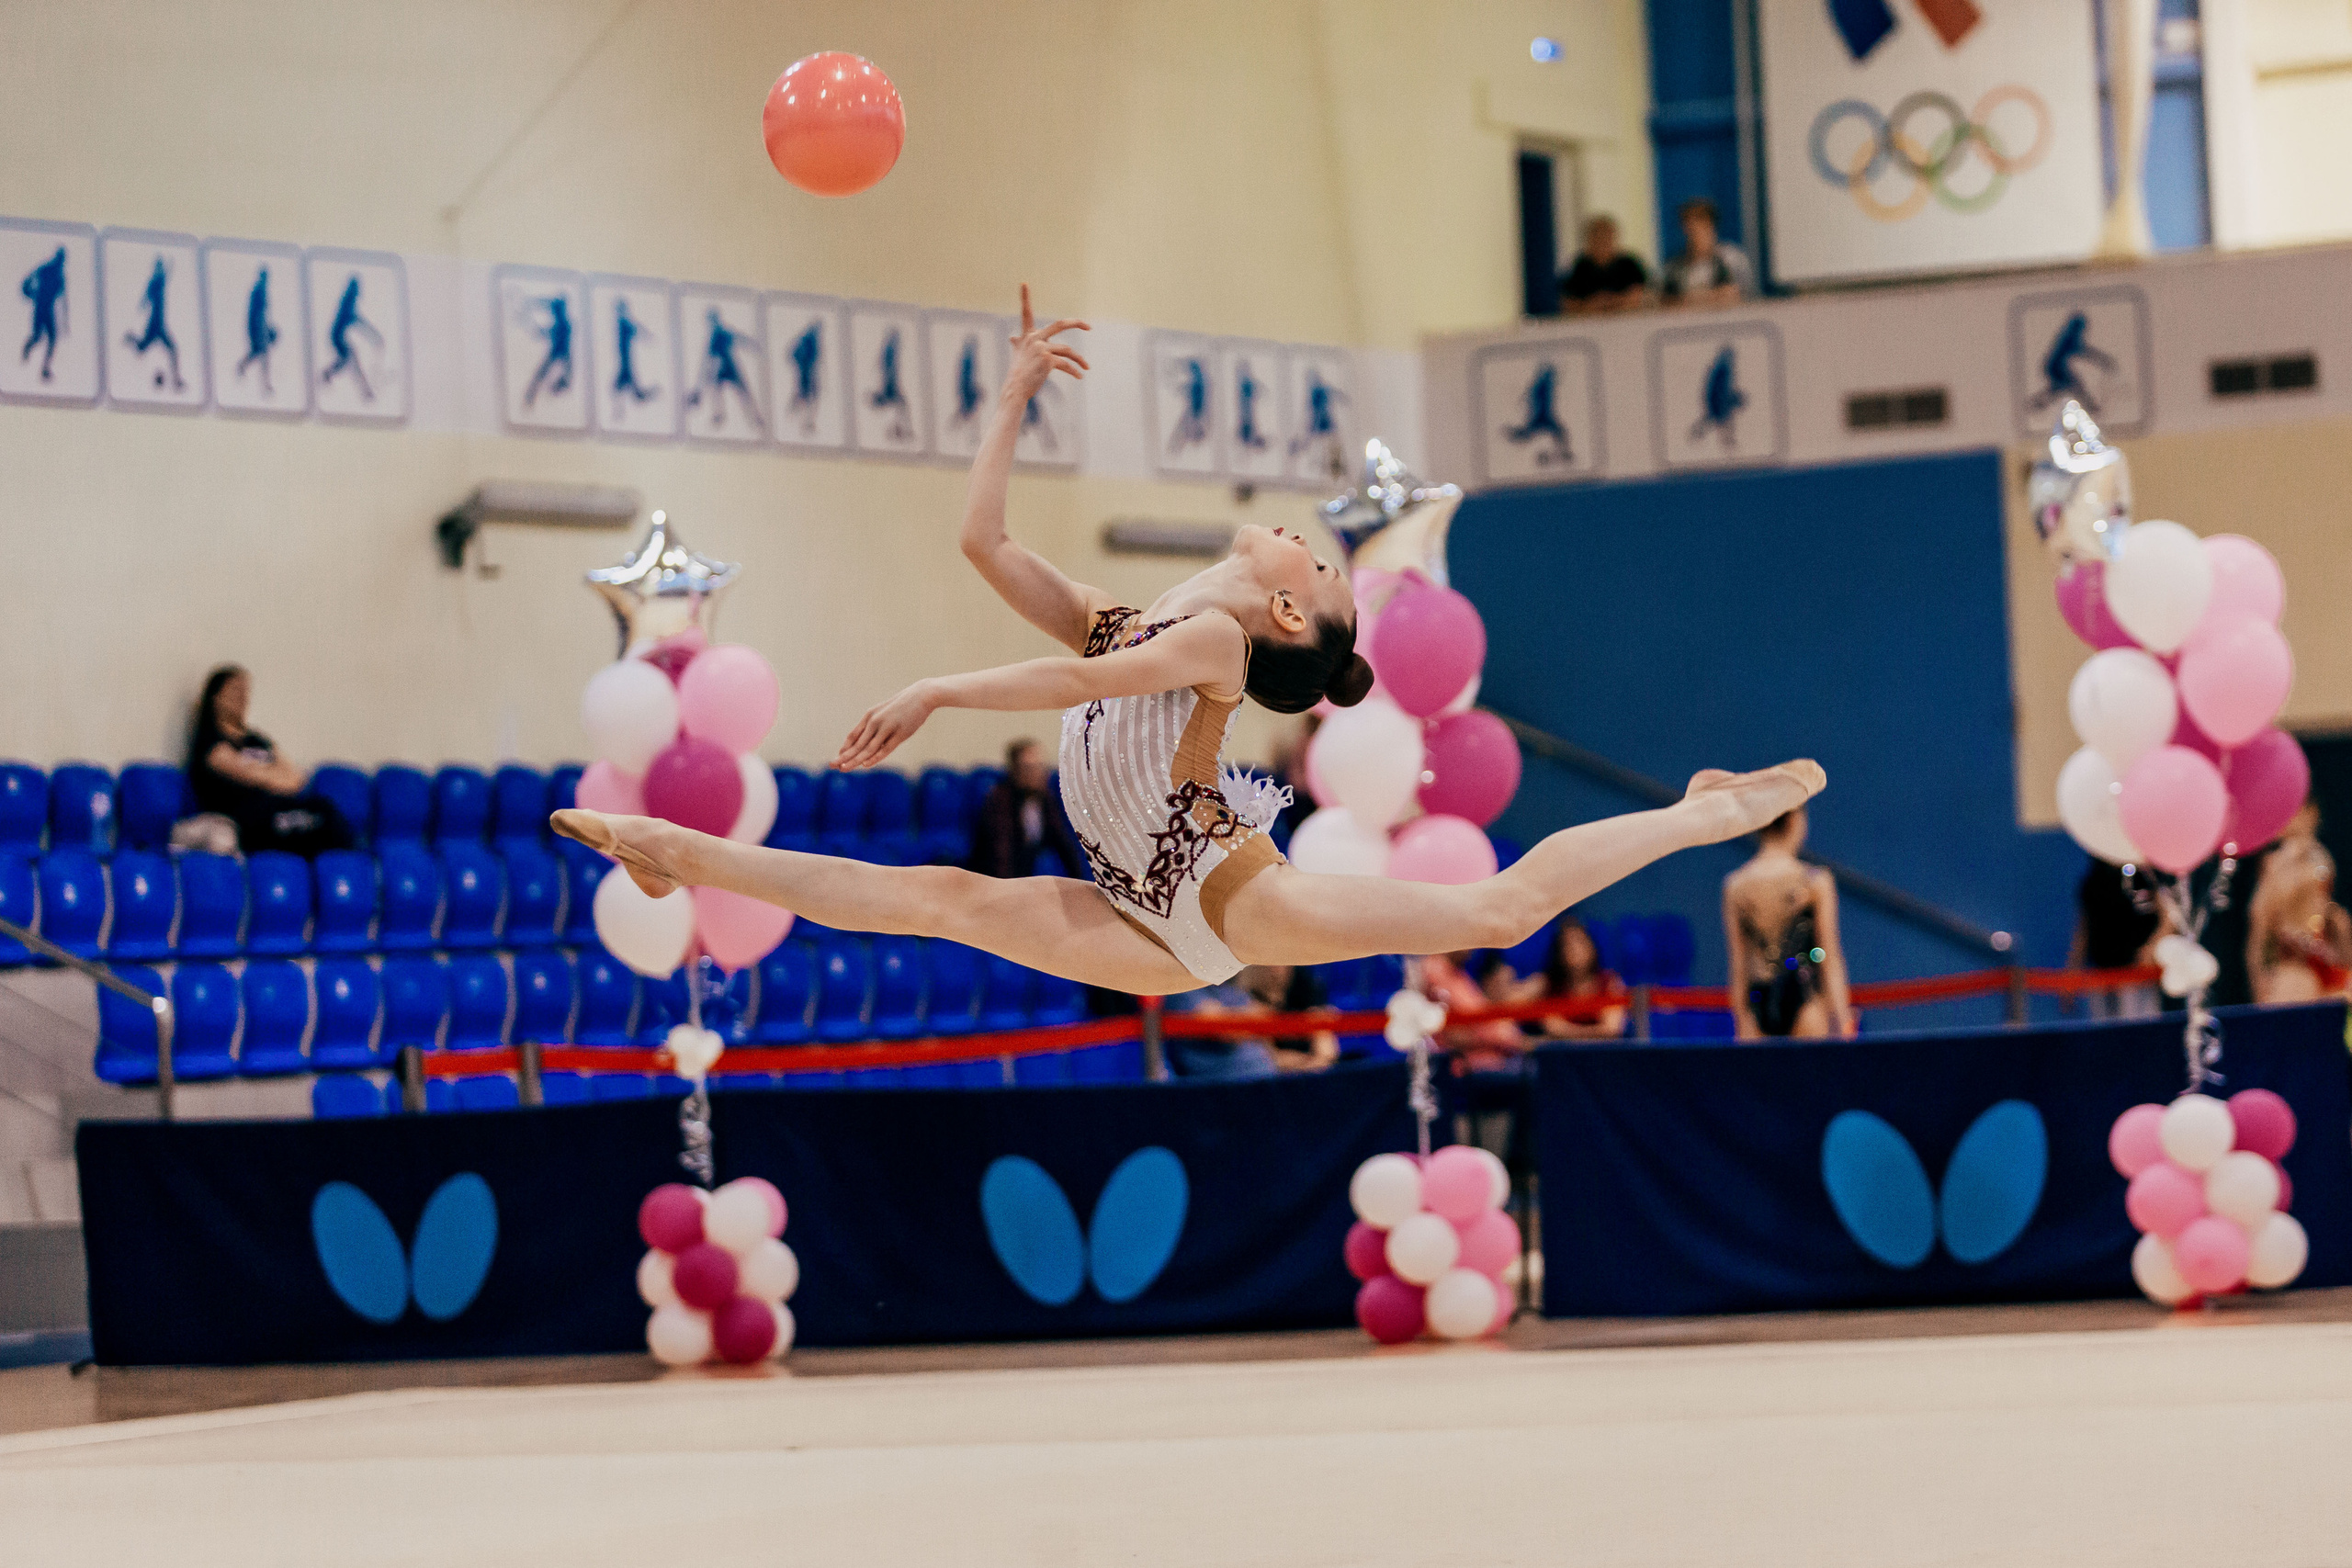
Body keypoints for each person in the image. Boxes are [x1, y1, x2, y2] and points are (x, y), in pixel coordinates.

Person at [553, 287, 1824, 1000]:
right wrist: (1008, 402)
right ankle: (675, 849)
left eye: (1317, 560)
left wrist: (939, 686)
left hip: (1231, 899)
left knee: (1494, 906)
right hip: (1137, 918)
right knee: (928, 898)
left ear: (1283, 614)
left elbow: (1080, 680)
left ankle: (1703, 813)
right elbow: (985, 546)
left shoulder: (1208, 644)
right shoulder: (1142, 612)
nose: (1298, 533)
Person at [184, 665, 355, 857]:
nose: (242, 697)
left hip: (278, 809)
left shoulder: (257, 740)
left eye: (245, 691)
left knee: (325, 811)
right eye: (235, 690)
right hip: (243, 819)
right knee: (318, 822)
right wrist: (270, 774)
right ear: (216, 697)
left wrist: (263, 774)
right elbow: (243, 774)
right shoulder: (210, 741)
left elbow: (296, 778)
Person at [1724, 807, 1852, 1039]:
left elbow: (1739, 963)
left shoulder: (1736, 885)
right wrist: (1843, 1021)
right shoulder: (1815, 881)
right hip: (1805, 998)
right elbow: (1828, 956)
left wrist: (1740, 1024)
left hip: (1757, 1000)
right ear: (1794, 820)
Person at [2245, 805, 2352, 1005]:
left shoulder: (2320, 859)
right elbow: (2260, 927)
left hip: (2323, 965)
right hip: (2291, 969)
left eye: (2299, 812)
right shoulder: (2275, 864)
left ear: (2313, 814)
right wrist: (2258, 977)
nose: (2294, 820)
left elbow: (2321, 908)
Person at [1486, 917, 1627, 1040]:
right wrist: (1501, 983)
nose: (1573, 950)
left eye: (1579, 942)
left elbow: (1612, 1030)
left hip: (1602, 1057)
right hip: (1559, 1059)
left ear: (1592, 946)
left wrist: (1563, 1031)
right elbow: (1505, 1006)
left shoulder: (1610, 981)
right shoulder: (1546, 982)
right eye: (1566, 944)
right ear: (1558, 951)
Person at [968, 738, 1082, 878]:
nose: (1037, 774)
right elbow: (1001, 855)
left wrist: (1082, 882)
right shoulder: (1000, 800)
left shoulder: (1044, 799)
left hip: (1026, 873)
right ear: (1014, 771)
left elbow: (1064, 845)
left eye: (1040, 767)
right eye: (1029, 768)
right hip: (996, 879)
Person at [2069, 858, 2162, 1019]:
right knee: (2103, 1033)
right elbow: (2083, 929)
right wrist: (2072, 971)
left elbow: (2166, 913)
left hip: (2137, 974)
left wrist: (2150, 948)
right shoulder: (2094, 878)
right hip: (2101, 974)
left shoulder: (2143, 875)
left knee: (2139, 1031)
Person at [1660, 197, 1756, 308]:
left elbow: (1735, 293)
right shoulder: (1675, 266)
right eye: (1688, 225)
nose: (1693, 231)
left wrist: (1688, 299)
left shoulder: (1732, 258)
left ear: (1711, 226)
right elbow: (1666, 301)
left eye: (1699, 223)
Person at [1557, 216, 1649, 314]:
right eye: (1597, 237)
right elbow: (1568, 302)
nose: (1602, 242)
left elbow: (1642, 295)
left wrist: (1614, 302)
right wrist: (1592, 305)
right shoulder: (1580, 267)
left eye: (1606, 237)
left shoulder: (1629, 265)